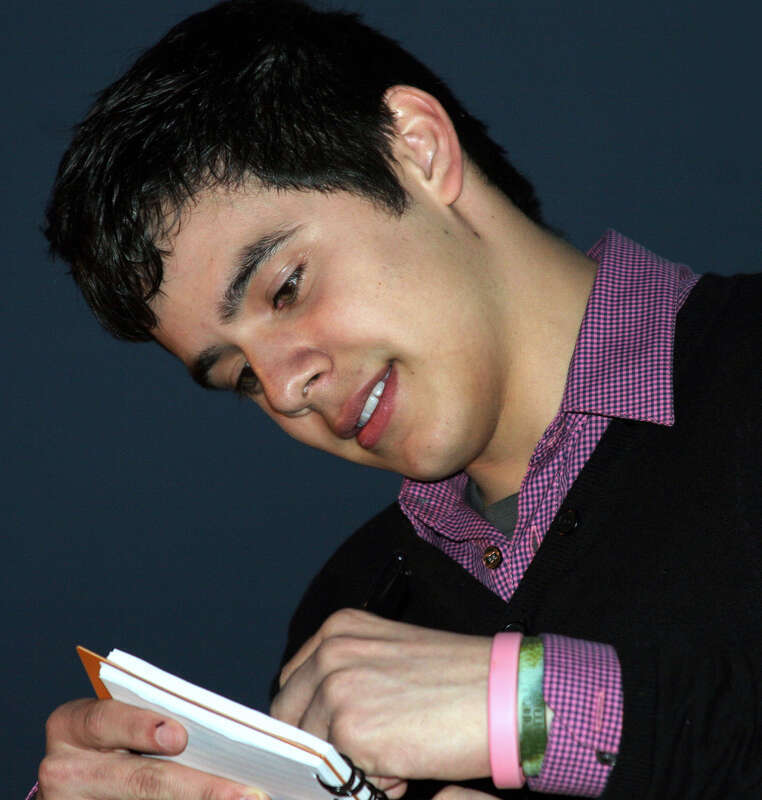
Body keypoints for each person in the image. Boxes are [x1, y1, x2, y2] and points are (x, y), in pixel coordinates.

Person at [37, 1, 761, 799]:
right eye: (238, 377)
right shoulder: (348, 618)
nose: (282, 389)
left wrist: (524, 707)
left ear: (417, 149)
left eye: (286, 288)